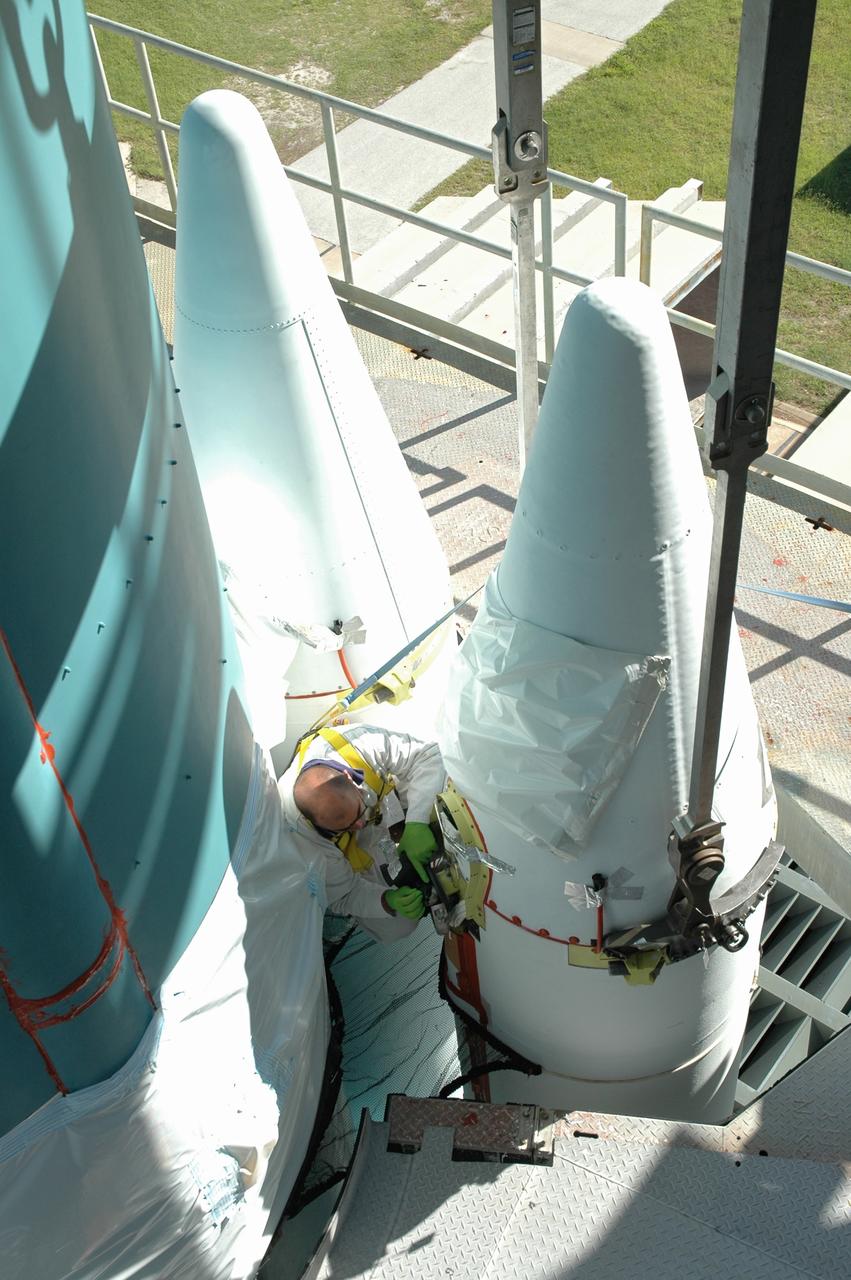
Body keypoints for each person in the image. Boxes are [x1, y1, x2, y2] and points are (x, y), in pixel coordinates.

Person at [278, 721, 445, 941]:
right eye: (347, 826)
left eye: (357, 813)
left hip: (382, 804)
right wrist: (388, 900)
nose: (358, 823)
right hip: (353, 850)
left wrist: (417, 821)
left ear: (348, 777)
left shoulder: (356, 743)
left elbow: (429, 753)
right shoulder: (303, 837)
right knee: (396, 927)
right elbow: (344, 895)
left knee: (446, 779)